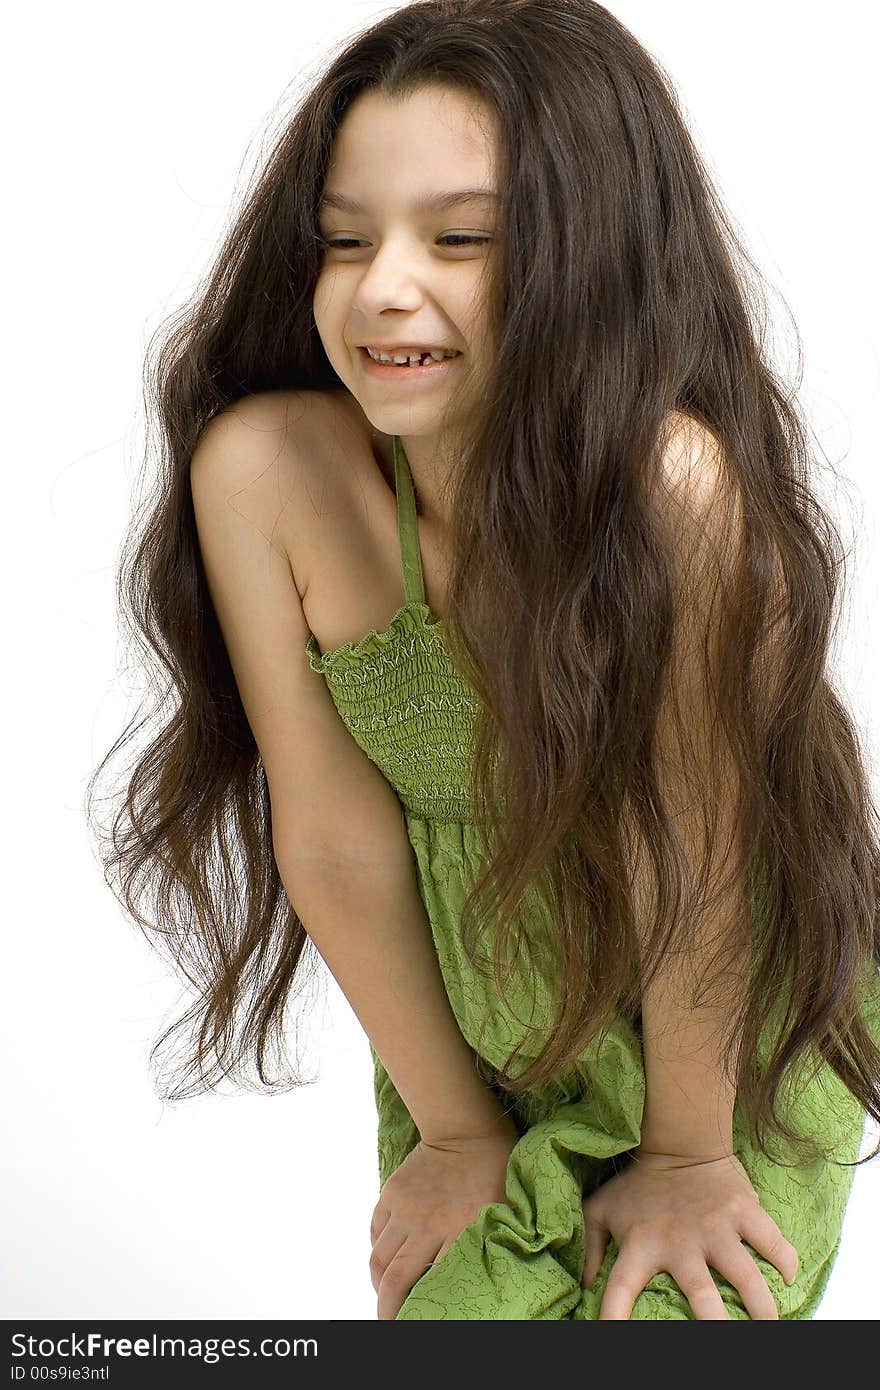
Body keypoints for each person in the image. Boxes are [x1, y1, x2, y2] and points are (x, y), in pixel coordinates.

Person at [87, 0, 880, 1320]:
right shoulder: (268, 474)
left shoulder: (671, 490)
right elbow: (335, 836)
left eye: (460, 238)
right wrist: (456, 1128)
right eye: (345, 239)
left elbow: (698, 846)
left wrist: (687, 1154)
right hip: (471, 1023)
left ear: (595, 258)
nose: (384, 284)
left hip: (713, 1020)